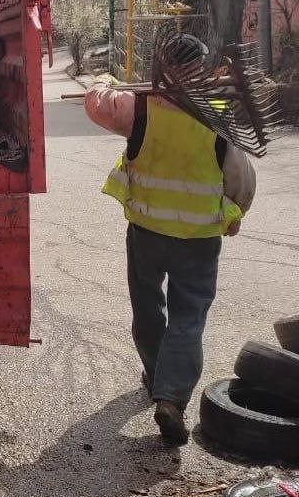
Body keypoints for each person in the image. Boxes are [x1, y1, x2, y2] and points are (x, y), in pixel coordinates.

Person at [84, 34, 257, 444]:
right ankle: (171, 397)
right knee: (188, 317)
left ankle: (154, 372)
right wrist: (234, 216)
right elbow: (242, 181)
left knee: (147, 307)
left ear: (161, 67)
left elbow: (96, 103)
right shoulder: (217, 116)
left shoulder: (138, 106)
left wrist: (103, 80)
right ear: (199, 68)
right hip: (197, 240)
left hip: (146, 233)